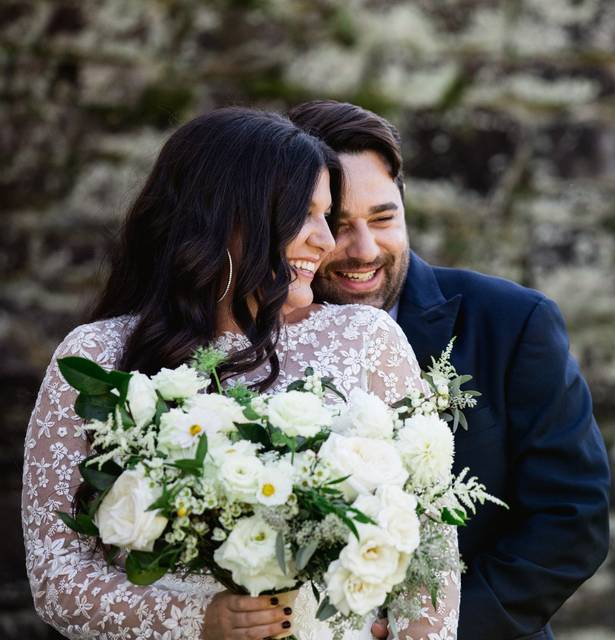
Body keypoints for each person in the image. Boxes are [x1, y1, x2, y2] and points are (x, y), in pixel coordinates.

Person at [22, 107, 458, 640]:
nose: (326, 242)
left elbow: (427, 551)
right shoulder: (97, 357)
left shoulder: (367, 339)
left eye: (328, 216)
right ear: (228, 217)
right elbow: (56, 573)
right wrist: (198, 621)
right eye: (307, 215)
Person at [289, 100, 611, 640]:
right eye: (338, 225)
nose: (363, 250)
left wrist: (431, 630)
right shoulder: (250, 339)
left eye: (383, 218)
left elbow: (571, 518)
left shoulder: (512, 323)